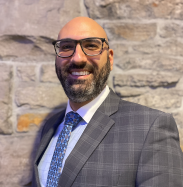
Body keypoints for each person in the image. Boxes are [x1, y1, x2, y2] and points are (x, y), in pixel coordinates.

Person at [31, 17, 183, 187]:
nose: (78, 58)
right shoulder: (50, 127)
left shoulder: (151, 127)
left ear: (110, 59)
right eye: (67, 47)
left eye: (91, 46)